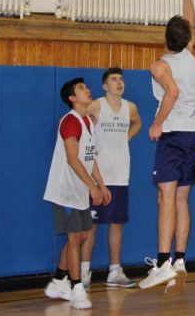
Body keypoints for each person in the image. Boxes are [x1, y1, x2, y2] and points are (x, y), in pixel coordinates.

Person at [139, 0, 195, 293]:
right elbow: (190, 23)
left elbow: (173, 92)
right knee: (181, 199)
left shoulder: (160, 65)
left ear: (165, 38)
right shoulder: (190, 56)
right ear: (186, 40)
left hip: (175, 135)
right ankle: (180, 260)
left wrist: (156, 123)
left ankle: (163, 263)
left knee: (165, 198)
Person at [43, 78, 112, 311]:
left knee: (82, 236)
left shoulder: (88, 122)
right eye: (81, 89)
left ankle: (59, 280)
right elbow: (73, 160)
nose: (87, 90)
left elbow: (90, 159)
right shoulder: (70, 122)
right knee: (74, 238)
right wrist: (92, 186)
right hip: (65, 190)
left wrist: (101, 185)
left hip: (80, 190)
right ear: (72, 98)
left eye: (86, 87)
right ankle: (76, 288)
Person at [80, 67, 142, 288]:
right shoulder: (97, 105)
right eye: (114, 79)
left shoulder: (130, 107)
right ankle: (84, 273)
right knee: (91, 226)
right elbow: (79, 117)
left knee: (117, 225)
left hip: (120, 175)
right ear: (105, 86)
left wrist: (126, 138)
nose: (119, 82)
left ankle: (114, 272)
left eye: (121, 79)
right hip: (98, 178)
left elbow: (138, 123)